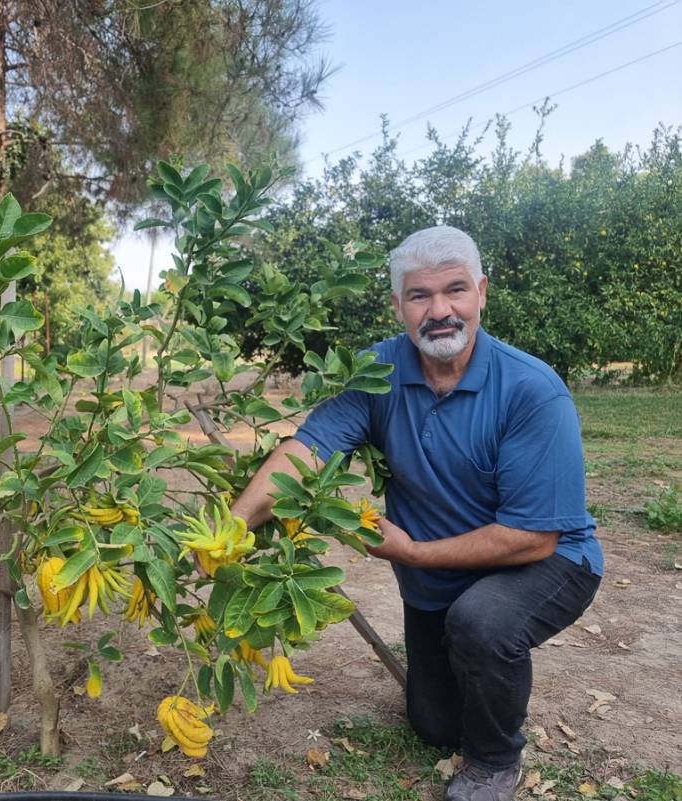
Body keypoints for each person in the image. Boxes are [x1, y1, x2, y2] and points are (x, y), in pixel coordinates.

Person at [229, 225, 603, 801]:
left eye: (455, 290)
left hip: (549, 560)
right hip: (441, 570)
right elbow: (306, 452)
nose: (440, 310)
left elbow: (533, 538)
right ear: (398, 305)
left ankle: (494, 762)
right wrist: (233, 528)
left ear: (481, 292)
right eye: (420, 296)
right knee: (434, 726)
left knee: (483, 623)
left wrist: (412, 552)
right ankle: (473, 683)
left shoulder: (532, 390)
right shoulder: (375, 371)